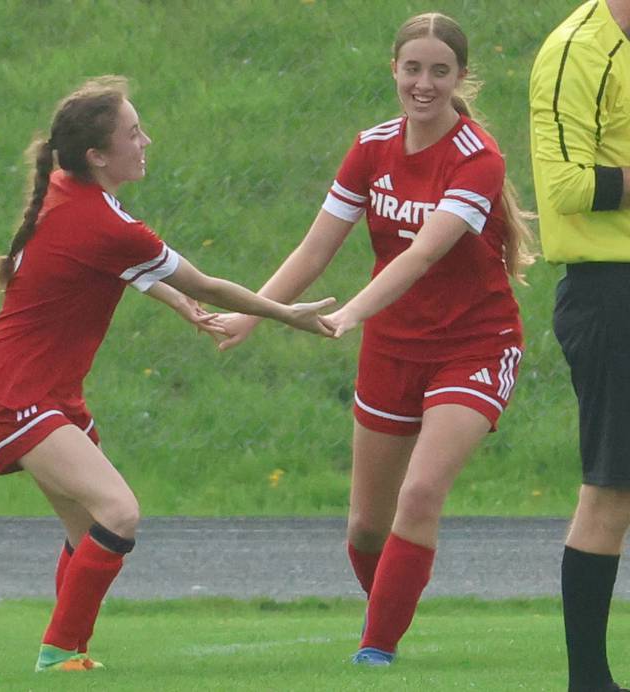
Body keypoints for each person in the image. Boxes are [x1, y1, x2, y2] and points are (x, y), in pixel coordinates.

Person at [0, 75, 335, 673]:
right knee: (119, 514)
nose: (146, 140)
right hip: (21, 396)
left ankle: (67, 654)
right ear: (99, 156)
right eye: (133, 133)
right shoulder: (107, 223)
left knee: (87, 527)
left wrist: (174, 304)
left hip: (37, 389)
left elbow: (108, 267)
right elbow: (208, 283)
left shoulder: (70, 190)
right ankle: (60, 652)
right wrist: (285, 313)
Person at [216, 13, 535, 665]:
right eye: (412, 68)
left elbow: (419, 256)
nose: (423, 84)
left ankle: (375, 652)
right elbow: (314, 248)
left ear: (459, 78)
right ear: (393, 69)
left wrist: (347, 314)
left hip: (474, 343)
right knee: (366, 526)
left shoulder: (480, 159)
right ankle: (392, 600)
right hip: (394, 347)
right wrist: (253, 311)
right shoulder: (371, 148)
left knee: (419, 496)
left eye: (439, 71)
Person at [529, 1, 630, 690]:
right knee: (613, 489)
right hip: (611, 289)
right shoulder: (577, 48)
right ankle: (588, 681)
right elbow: (566, 185)